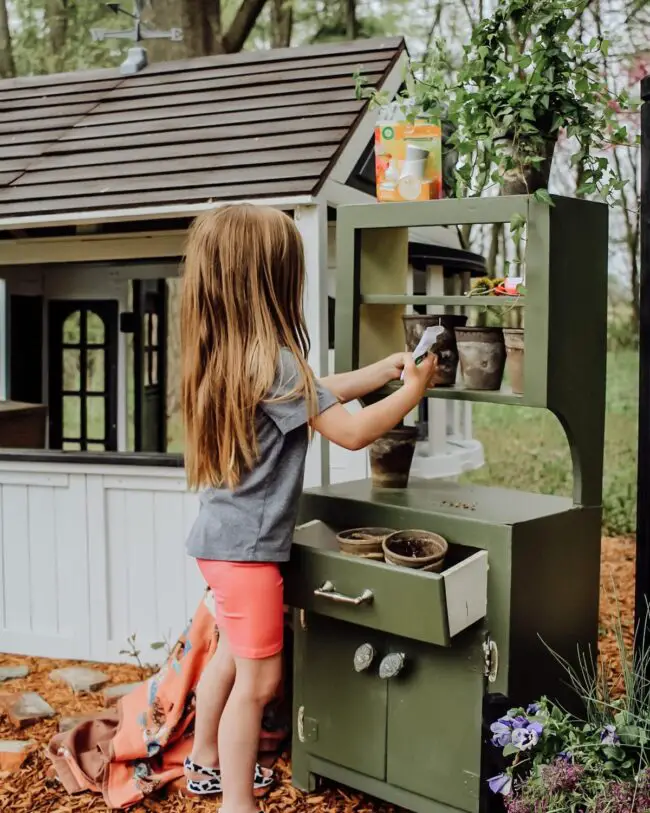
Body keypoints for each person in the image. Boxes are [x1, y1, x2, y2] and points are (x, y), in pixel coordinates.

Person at [180, 204, 436, 813]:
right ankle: (235, 803)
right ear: (272, 279)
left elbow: (312, 395)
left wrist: (379, 371)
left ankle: (204, 761)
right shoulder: (275, 358)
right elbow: (349, 432)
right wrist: (411, 392)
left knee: (229, 656)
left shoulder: (234, 353)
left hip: (219, 546)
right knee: (259, 682)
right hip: (248, 555)